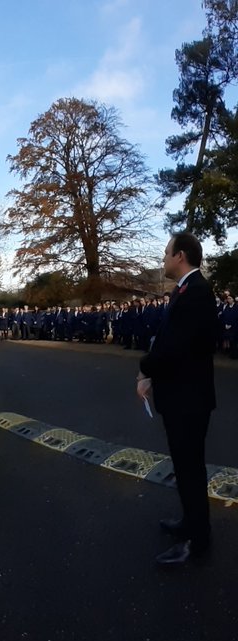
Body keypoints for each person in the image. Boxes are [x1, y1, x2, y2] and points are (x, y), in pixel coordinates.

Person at [137, 232, 217, 565]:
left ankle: (197, 542)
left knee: (191, 470)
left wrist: (145, 369)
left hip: (188, 399)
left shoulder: (195, 292)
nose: (164, 258)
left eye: (167, 253)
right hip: (181, 396)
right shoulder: (185, 291)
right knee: (185, 469)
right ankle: (190, 522)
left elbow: (175, 347)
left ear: (180, 256)